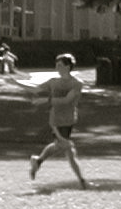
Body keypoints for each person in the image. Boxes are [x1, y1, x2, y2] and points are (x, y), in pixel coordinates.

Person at [13, 53, 90, 189]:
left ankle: (37, 160)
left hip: (69, 120)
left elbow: (67, 100)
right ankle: (82, 182)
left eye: (60, 65)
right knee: (68, 149)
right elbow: (35, 88)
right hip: (56, 121)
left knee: (60, 146)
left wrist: (46, 100)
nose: (57, 67)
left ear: (68, 66)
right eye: (56, 64)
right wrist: (16, 83)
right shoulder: (53, 81)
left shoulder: (77, 83)